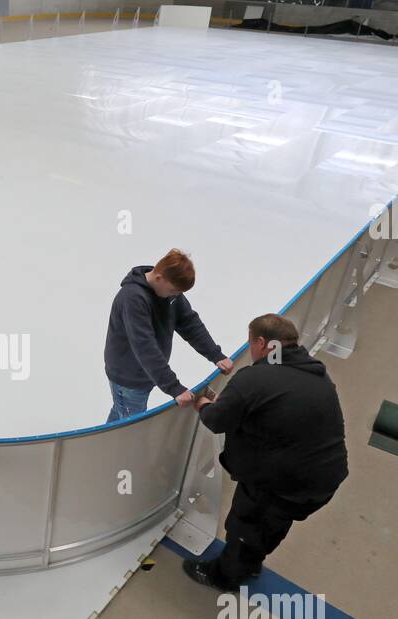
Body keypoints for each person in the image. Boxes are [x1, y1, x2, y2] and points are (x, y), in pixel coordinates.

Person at [184, 313, 348, 592]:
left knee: (246, 523)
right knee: (273, 524)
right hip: (325, 475)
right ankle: (251, 561)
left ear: (262, 343)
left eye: (251, 344)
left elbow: (216, 420)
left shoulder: (253, 378)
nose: (250, 351)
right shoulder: (313, 370)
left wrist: (203, 405)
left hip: (287, 480)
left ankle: (225, 576)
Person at [104, 249, 233, 423]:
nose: (175, 295)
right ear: (159, 278)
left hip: (147, 372)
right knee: (129, 427)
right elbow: (145, 346)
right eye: (173, 291)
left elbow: (189, 323)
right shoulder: (133, 298)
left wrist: (215, 354)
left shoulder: (169, 292)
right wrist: (174, 387)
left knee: (121, 414)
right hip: (129, 377)